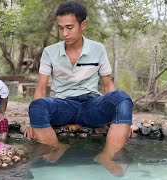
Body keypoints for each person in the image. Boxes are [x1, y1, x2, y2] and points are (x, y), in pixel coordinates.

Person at [23, 1, 133, 176]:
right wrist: (33, 122)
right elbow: (41, 88)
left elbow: (108, 85)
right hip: (62, 105)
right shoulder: (49, 52)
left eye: (69, 27)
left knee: (123, 99)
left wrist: (122, 118)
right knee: (37, 106)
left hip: (92, 104)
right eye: (60, 28)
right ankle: (56, 149)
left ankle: (106, 156)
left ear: (83, 25)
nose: (64, 34)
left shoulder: (98, 49)